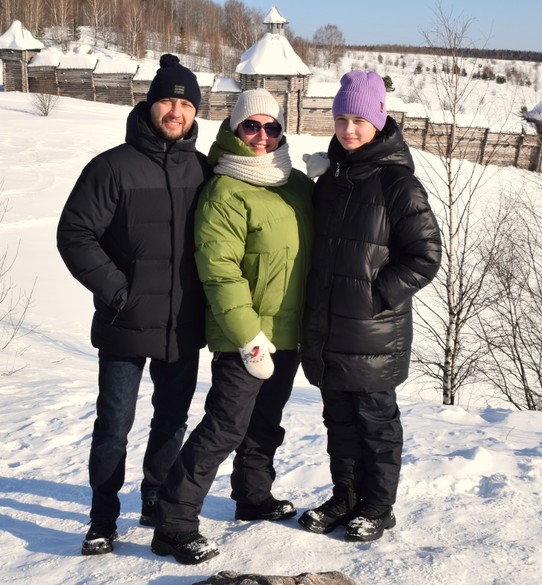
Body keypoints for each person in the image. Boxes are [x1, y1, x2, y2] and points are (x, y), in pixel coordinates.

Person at [151, 89, 315, 565]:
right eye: (251, 126)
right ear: (233, 130)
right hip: (245, 337)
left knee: (265, 425)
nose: (262, 137)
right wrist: (248, 337)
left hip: (288, 333)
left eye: (272, 128)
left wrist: (335, 176)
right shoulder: (224, 190)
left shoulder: (297, 183)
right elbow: (220, 270)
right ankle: (174, 521)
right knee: (225, 427)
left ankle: (253, 497)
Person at [56, 54, 211, 556]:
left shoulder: (204, 170)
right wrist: (116, 289)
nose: (176, 111)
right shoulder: (112, 168)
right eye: (168, 99)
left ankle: (155, 502)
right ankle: (103, 518)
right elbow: (75, 233)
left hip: (183, 325)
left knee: (172, 420)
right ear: (149, 105)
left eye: (186, 103)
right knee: (114, 424)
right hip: (126, 322)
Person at [298, 70, 442, 543]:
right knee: (338, 421)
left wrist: (375, 296)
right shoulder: (332, 179)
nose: (349, 130)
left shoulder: (398, 185)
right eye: (341, 119)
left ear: (379, 120)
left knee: (376, 423)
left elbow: (425, 257)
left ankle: (378, 506)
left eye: (359, 119)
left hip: (374, 333)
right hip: (329, 330)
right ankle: (345, 496)